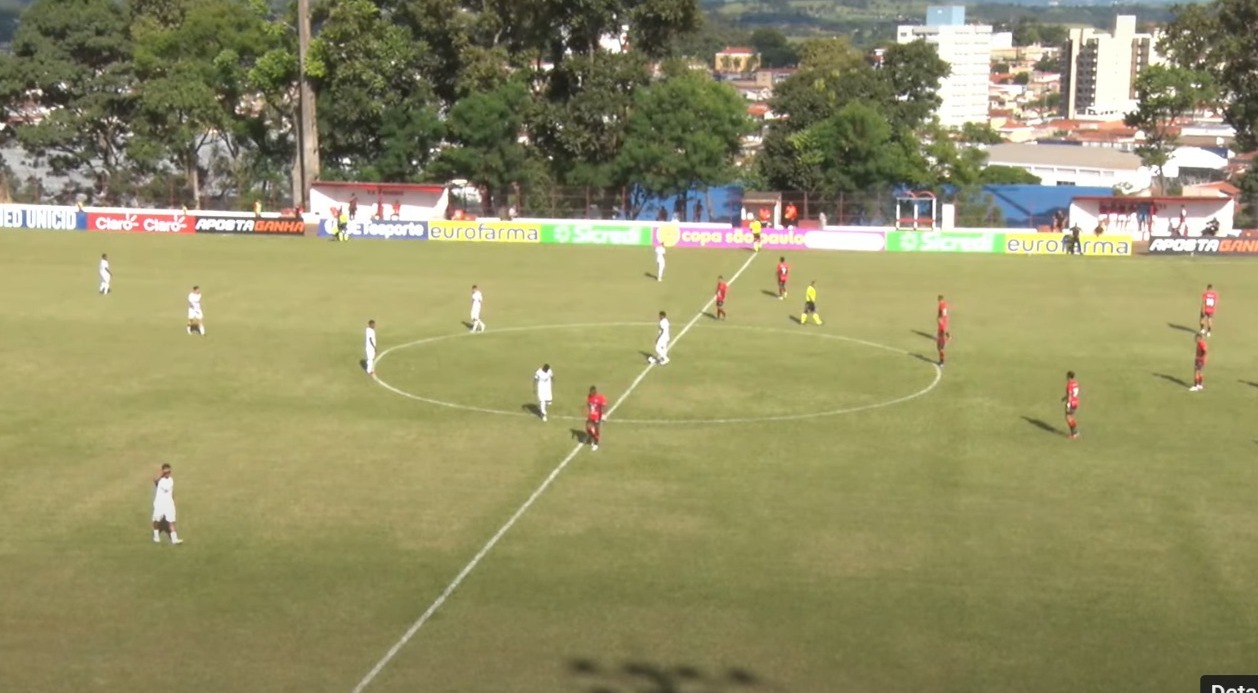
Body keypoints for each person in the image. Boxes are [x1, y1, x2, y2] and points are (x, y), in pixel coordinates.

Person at [151, 464, 183, 545]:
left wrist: (173, 501)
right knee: (157, 521)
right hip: (159, 504)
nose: (168, 473)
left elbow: (171, 492)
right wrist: (162, 474)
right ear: (163, 472)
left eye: (169, 471)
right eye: (166, 472)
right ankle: (156, 535)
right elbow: (155, 480)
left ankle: (175, 539)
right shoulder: (159, 480)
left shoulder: (171, 480)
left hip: (169, 504)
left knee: (171, 521)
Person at [585, 386, 607, 450]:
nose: (590, 393)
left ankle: (596, 444)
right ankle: (592, 438)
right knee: (588, 428)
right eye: (590, 392)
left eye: (591, 392)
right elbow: (589, 404)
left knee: (596, 430)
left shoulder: (599, 397)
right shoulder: (589, 397)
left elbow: (604, 405)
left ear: (594, 392)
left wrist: (603, 415)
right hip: (591, 415)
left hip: (597, 416)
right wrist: (588, 412)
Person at [1063, 371, 1080, 440]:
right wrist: (1065, 397)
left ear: (1069, 377)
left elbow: (1070, 395)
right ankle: (1075, 432)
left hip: (1071, 403)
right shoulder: (1076, 383)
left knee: (1068, 418)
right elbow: (1073, 393)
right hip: (1076, 402)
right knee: (1071, 417)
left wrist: (1068, 404)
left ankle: (1074, 433)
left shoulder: (1069, 384)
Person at [936, 294, 950, 366]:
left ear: (940, 299)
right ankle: (941, 361)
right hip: (941, 329)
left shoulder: (942, 305)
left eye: (938, 300)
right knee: (939, 347)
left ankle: (942, 362)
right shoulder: (943, 304)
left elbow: (944, 314)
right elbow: (944, 314)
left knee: (940, 347)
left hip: (942, 329)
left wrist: (940, 319)